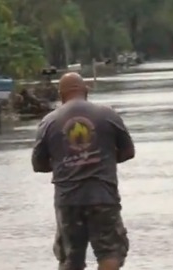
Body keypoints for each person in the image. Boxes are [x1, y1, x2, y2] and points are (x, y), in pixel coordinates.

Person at [31, 72, 135, 270]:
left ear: (61, 95)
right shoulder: (108, 115)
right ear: (85, 90)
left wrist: (64, 163)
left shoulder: (48, 123)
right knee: (110, 252)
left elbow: (38, 164)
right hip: (103, 197)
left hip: (68, 201)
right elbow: (128, 152)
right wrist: (102, 160)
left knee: (70, 258)